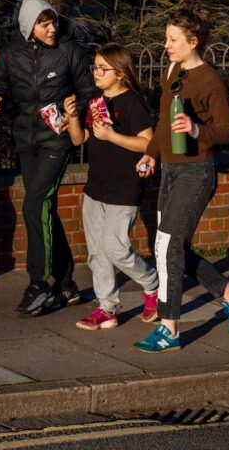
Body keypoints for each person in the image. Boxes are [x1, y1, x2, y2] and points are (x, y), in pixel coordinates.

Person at [133, 6, 229, 352]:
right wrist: (151, 154)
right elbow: (164, 122)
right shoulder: (173, 70)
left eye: (172, 39)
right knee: (171, 247)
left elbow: (228, 130)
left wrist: (197, 129)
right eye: (166, 38)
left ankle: (169, 330)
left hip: (196, 173)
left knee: (167, 247)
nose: (165, 45)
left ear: (192, 41)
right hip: (170, 171)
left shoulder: (210, 79)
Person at [0, 0, 96, 315]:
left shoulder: (69, 51)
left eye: (53, 22)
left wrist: (75, 115)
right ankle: (66, 284)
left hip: (56, 141)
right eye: (43, 23)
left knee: (35, 204)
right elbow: (0, 90)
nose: (51, 28)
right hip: (26, 141)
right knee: (44, 209)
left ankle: (39, 285)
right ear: (28, 27)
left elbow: (89, 93)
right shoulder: (10, 55)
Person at [63, 44, 159, 331]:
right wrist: (71, 118)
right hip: (96, 186)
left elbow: (148, 142)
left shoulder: (132, 103)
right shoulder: (96, 101)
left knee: (115, 248)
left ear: (120, 73)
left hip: (124, 186)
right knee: (96, 252)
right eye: (95, 67)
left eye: (102, 68)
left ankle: (151, 283)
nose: (96, 73)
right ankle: (108, 308)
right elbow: (79, 140)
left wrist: (113, 136)